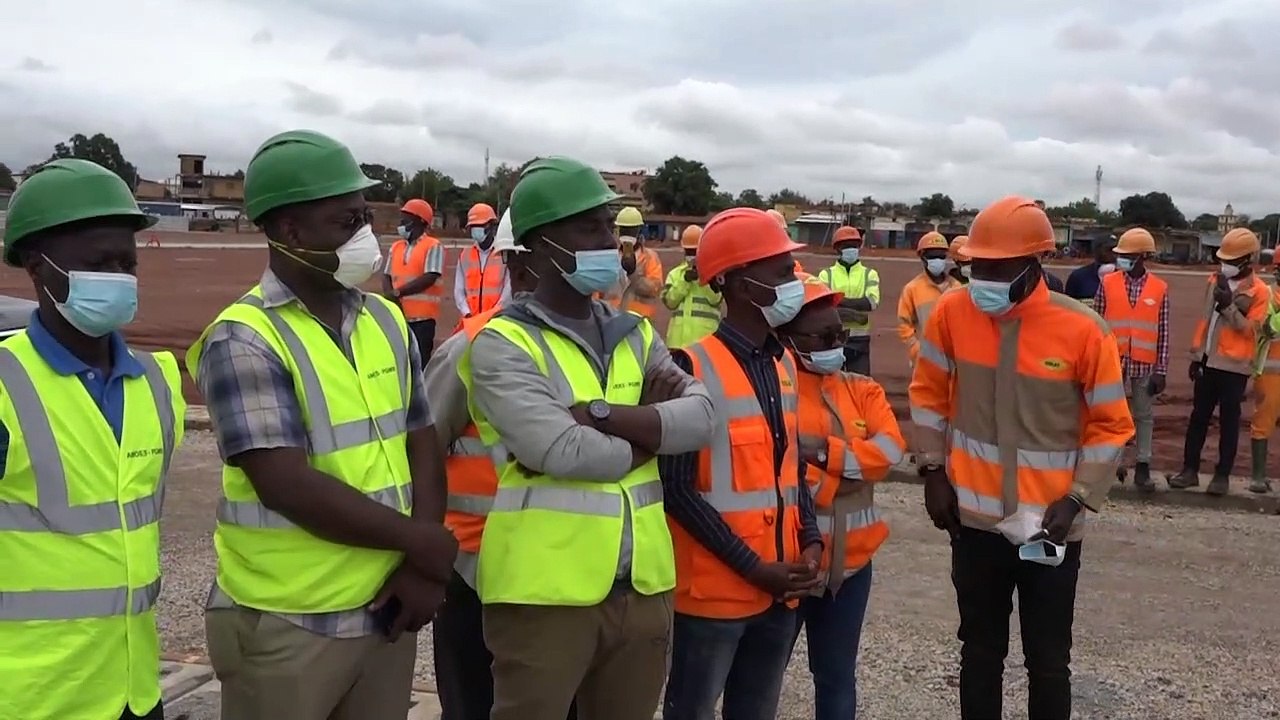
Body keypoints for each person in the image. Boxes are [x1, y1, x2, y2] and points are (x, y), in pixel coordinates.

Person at [189, 130, 458, 720]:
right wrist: (421, 543)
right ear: (290, 231)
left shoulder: (385, 320)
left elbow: (422, 439)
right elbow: (284, 484)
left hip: (387, 605)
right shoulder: (244, 338)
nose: (366, 235)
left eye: (365, 218)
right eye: (347, 221)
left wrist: (420, 565)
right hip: (291, 620)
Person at [462, 156, 715, 720]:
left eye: (608, 225)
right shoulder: (503, 344)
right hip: (543, 592)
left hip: (643, 585)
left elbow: (702, 418)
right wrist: (654, 433)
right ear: (538, 248)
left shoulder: (635, 333)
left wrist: (600, 414)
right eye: (589, 228)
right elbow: (563, 451)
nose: (609, 241)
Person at [909, 196, 1134, 720]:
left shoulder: (1084, 330)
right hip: (974, 523)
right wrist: (932, 471)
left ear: (1036, 263)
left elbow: (1111, 425)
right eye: (977, 266)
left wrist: (1077, 499)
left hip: (1050, 528)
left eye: (997, 268)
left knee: (1049, 661)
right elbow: (928, 395)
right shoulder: (951, 314)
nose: (982, 279)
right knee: (980, 653)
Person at [0, 159, 186, 720]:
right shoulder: (5, 383)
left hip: (134, 691)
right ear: (40, 268)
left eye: (127, 264)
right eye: (99, 264)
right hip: (30, 699)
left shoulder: (157, 382)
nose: (120, 277)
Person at [661, 207, 824, 720]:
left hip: (779, 592)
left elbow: (791, 469)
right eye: (782, 271)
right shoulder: (689, 367)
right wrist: (754, 568)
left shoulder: (783, 364)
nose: (795, 281)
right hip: (713, 599)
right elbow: (677, 489)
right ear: (738, 283)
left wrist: (811, 540)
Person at [426, 211, 580, 720]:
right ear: (520, 265)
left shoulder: (605, 347)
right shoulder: (470, 348)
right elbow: (421, 450)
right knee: (473, 704)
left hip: (570, 569)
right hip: (477, 572)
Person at [781, 278, 905, 720]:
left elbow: (889, 453)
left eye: (841, 335)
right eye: (824, 337)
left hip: (850, 568)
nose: (836, 345)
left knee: (836, 678)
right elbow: (776, 468)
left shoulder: (862, 389)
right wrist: (845, 476)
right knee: (761, 678)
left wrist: (822, 454)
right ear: (788, 340)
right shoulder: (775, 392)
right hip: (788, 565)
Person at [1168, 228, 1269, 496]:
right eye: (1224, 259)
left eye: (1232, 261)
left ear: (1247, 260)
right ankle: (1189, 471)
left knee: (1228, 423)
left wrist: (1227, 306)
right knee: (1198, 419)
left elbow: (1250, 331)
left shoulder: (1259, 292)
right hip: (1207, 362)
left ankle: (1222, 475)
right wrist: (1196, 357)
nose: (1225, 265)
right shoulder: (1214, 280)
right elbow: (1206, 322)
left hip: (1234, 369)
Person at [1093, 227, 1169, 492]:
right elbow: (1096, 323)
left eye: (1126, 255)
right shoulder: (1108, 283)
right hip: (1112, 361)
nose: (1121, 259)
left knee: (1143, 415)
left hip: (1144, 363)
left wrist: (1161, 370)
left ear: (1142, 257)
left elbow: (1163, 331)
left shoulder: (1159, 288)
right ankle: (1110, 465)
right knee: (1110, 414)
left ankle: (1143, 465)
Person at [384, 197, 445, 359]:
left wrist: (398, 293)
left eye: (406, 219)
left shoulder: (433, 246)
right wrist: (390, 297)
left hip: (422, 319)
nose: (401, 223)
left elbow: (430, 277)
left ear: (419, 221)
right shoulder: (396, 247)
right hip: (398, 316)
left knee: (420, 361)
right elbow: (387, 275)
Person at [817, 226, 880, 374]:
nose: (851, 249)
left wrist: (837, 302)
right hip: (833, 339)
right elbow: (822, 305)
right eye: (846, 246)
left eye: (854, 245)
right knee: (832, 383)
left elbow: (871, 303)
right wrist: (856, 313)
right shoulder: (825, 275)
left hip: (860, 341)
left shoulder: (870, 274)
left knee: (861, 384)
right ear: (837, 249)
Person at [898, 231, 961, 367]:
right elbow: (904, 323)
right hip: (924, 360)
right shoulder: (912, 289)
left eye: (941, 256)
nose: (937, 260)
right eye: (932, 256)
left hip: (954, 358)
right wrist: (915, 348)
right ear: (923, 258)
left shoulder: (957, 287)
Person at [661, 224, 723, 348]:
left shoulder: (714, 273)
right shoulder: (676, 274)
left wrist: (704, 278)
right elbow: (670, 302)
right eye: (689, 251)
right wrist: (685, 281)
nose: (692, 255)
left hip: (705, 342)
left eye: (694, 251)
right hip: (678, 343)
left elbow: (715, 300)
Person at [1251, 250, 1280, 494]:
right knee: (1264, 421)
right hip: (1271, 372)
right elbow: (1269, 328)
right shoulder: (1268, 294)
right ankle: (1258, 477)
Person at [455, 202, 509, 320]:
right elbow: (459, 290)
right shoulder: (465, 255)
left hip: (497, 319)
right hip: (471, 320)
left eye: (480, 225)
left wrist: (495, 312)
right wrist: (467, 313)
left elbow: (508, 290)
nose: (476, 229)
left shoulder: (504, 253)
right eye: (473, 226)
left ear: (491, 226)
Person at [615, 207, 664, 318]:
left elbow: (654, 289)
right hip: (610, 318)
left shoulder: (650, 257)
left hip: (639, 319)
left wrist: (633, 274)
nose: (627, 235)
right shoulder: (610, 256)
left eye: (631, 231)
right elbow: (597, 291)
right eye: (624, 230)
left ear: (639, 231)